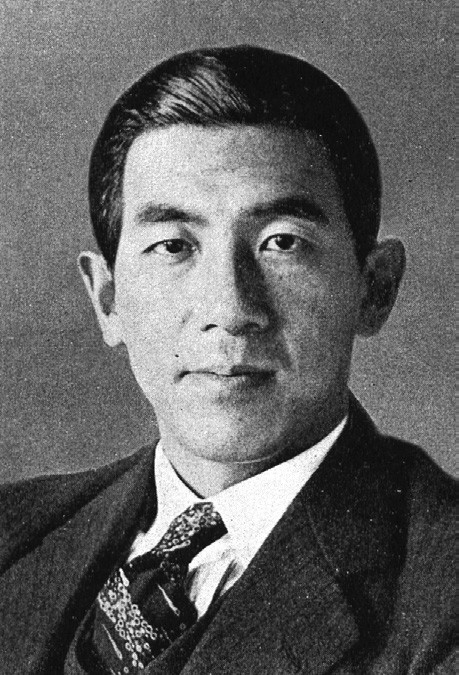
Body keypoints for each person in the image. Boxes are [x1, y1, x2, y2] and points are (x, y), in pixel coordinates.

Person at [0, 45, 455, 675]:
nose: (231, 308)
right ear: (108, 299)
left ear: (374, 288)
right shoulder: (14, 534)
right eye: (173, 246)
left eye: (281, 243)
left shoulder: (442, 591)